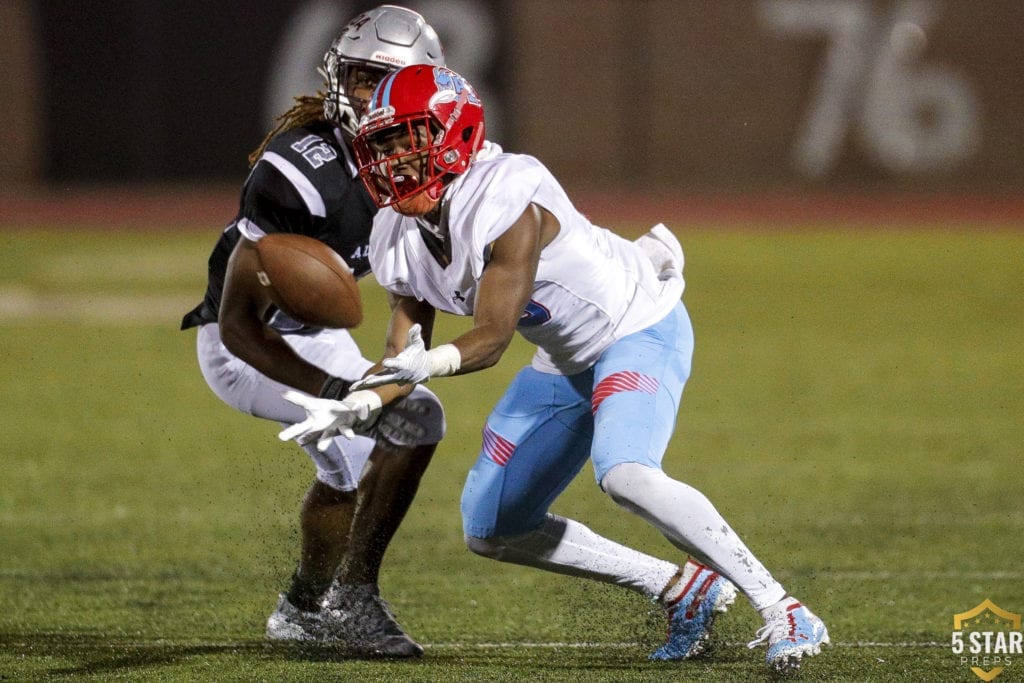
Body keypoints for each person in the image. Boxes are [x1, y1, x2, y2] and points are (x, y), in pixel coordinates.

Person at [281, 64, 831, 671]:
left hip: (637, 327)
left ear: (455, 132)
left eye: (409, 140)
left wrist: (422, 365)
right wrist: (357, 402)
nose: (397, 162)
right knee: (492, 526)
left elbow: (489, 337)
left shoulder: (506, 193)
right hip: (566, 358)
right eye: (381, 146)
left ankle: (782, 607)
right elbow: (400, 352)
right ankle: (682, 589)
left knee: (625, 474)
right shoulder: (396, 231)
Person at [180, 6, 450, 658]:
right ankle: (343, 602)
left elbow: (410, 280)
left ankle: (306, 606)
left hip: (315, 331)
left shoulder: (412, 160)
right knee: (375, 438)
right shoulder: (299, 171)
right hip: (243, 343)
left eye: (377, 80)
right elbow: (239, 323)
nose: (359, 93)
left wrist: (394, 367)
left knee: (407, 422)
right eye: (355, 76)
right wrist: (335, 389)